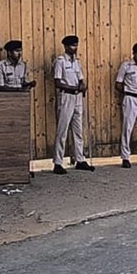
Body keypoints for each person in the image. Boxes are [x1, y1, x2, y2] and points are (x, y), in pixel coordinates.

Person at [52, 35, 94, 175]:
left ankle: (80, 159)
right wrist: (73, 88)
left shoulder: (77, 62)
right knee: (62, 131)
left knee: (78, 129)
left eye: (76, 45)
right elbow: (57, 82)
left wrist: (83, 86)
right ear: (65, 46)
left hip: (77, 98)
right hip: (66, 96)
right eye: (72, 46)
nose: (74, 48)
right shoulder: (60, 61)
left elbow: (81, 78)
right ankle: (58, 162)